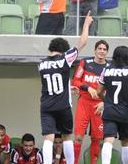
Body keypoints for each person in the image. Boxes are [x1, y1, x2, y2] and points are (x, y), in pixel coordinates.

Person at [38, 11, 93, 164]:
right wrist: (86, 23)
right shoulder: (65, 59)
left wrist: (67, 89)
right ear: (63, 50)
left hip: (46, 105)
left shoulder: (41, 64)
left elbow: (51, 84)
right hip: (63, 106)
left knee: (48, 138)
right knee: (66, 136)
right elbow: (83, 42)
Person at [97, 45, 128, 164]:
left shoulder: (106, 70)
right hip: (125, 112)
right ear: (127, 57)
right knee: (126, 143)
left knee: (108, 140)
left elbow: (99, 91)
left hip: (110, 111)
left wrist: (106, 101)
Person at [72, 40, 109, 164]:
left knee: (96, 139)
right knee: (78, 138)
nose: (102, 51)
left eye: (104, 49)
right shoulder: (85, 63)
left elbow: (113, 90)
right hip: (84, 103)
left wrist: (104, 103)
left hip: (99, 106)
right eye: (100, 48)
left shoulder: (109, 68)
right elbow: (76, 81)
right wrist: (87, 88)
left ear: (107, 52)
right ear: (95, 50)